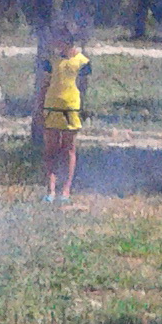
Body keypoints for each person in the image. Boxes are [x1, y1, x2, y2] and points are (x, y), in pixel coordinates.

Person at [40, 23, 91, 200]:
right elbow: (44, 85)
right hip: (52, 106)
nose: (54, 41)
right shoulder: (50, 62)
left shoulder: (83, 62)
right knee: (51, 149)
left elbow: (83, 88)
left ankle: (66, 190)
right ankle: (50, 190)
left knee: (68, 149)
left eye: (58, 38)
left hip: (71, 108)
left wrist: (84, 109)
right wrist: (40, 107)